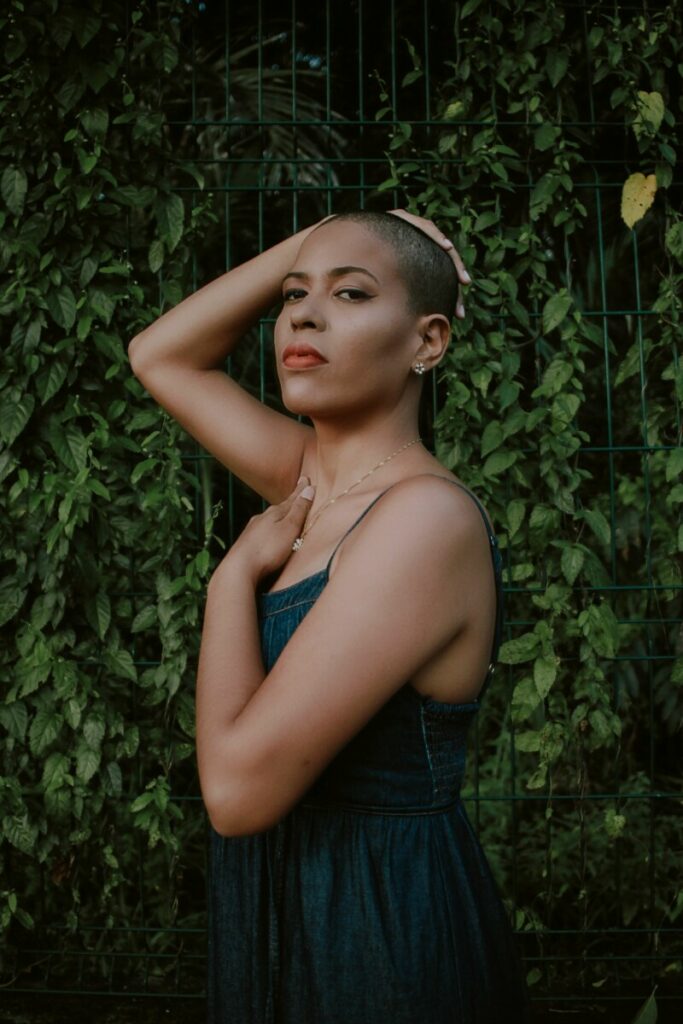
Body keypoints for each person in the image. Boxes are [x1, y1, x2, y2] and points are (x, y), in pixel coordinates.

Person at [128, 209, 529, 1023]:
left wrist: (229, 584)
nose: (304, 316)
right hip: (279, 912)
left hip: (378, 933)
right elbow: (158, 355)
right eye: (292, 298)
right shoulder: (313, 487)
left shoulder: (424, 522)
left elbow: (237, 794)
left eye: (349, 294)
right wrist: (317, 236)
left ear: (428, 342)